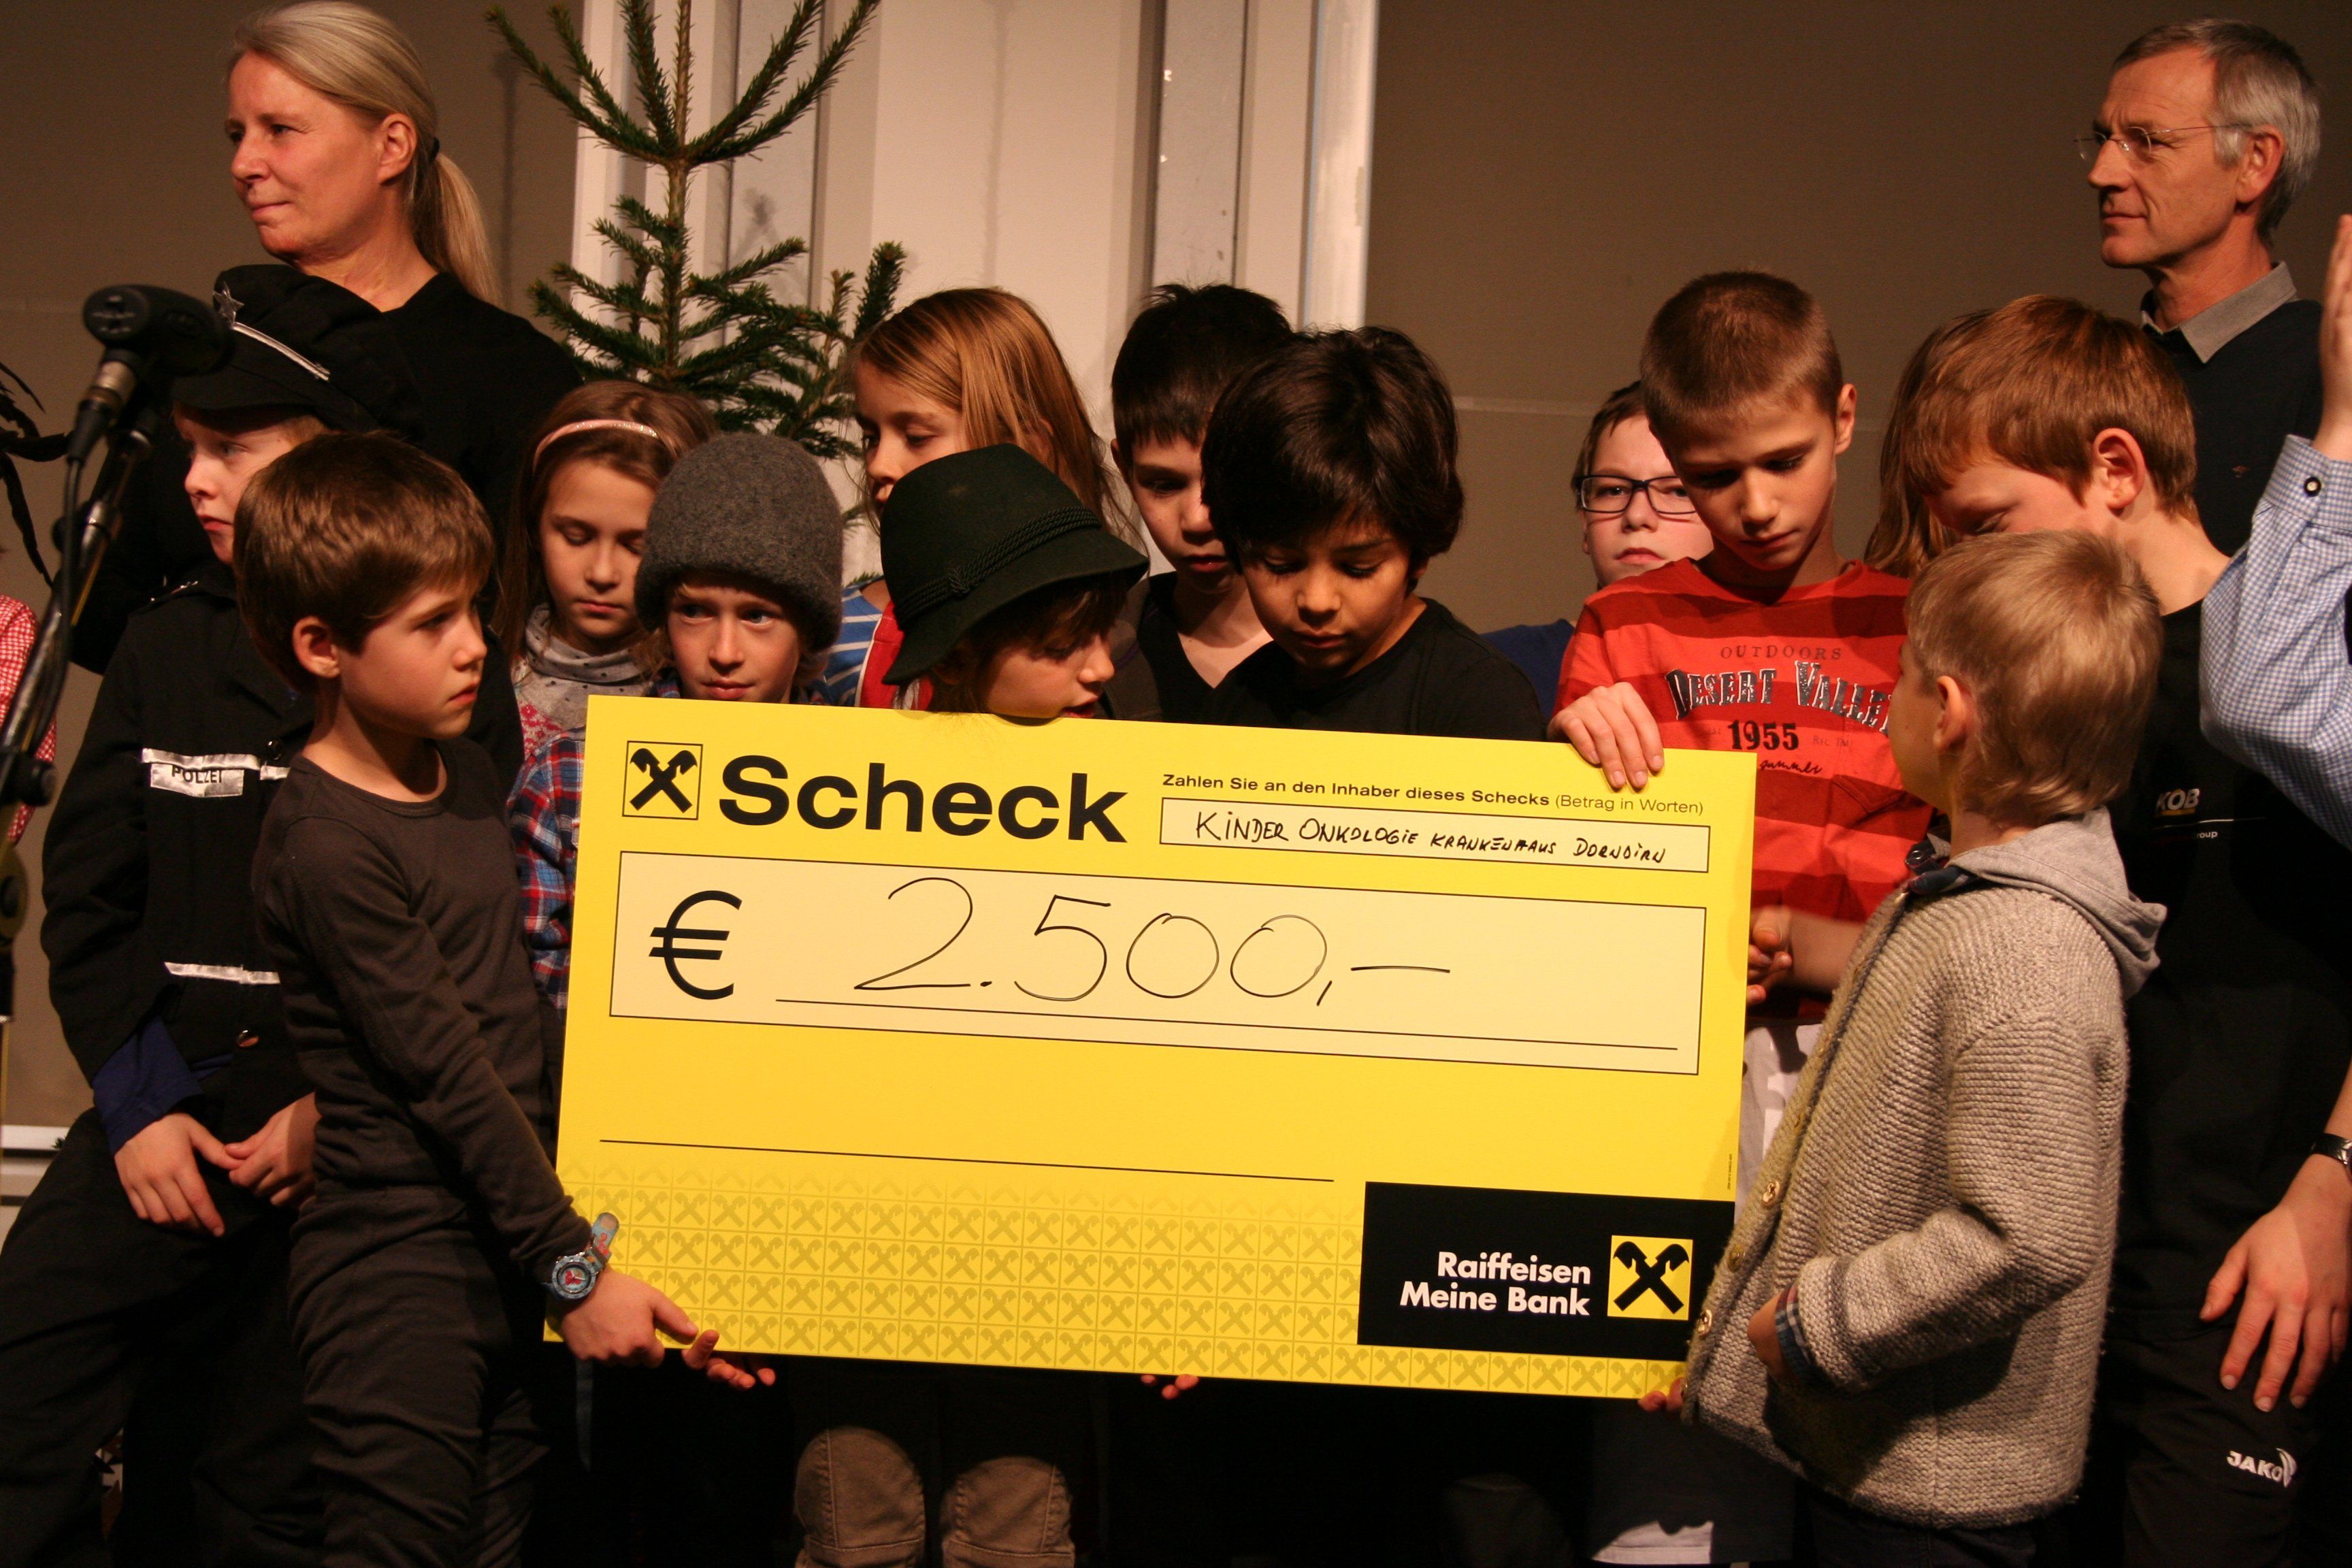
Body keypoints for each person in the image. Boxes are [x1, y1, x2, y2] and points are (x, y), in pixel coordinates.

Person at [1877, 291, 2352, 1567]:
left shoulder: (2297, 677)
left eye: (1989, 525)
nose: (1968, 568)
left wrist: (2334, 1184)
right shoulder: (2038, 712)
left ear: (2115, 470)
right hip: (2062, 1303)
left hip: (2250, 1288)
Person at [0, 275, 452, 1568]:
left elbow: (444, 942)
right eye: (189, 448)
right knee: (23, 1390)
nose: (198, 481)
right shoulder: (163, 648)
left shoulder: (422, 665)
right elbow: (91, 900)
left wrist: (335, 1110)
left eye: (236, 449)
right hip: (167, 1103)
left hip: (329, 1139)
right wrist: (141, 1105)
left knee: (251, 1483)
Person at [237, 433, 745, 1567]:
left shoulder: (464, 775)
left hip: (502, 1257)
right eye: (432, 623)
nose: (475, 644)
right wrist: (575, 1271)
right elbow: (450, 1073)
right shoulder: (326, 843)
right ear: (322, 646)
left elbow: (527, 1023)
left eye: (473, 608)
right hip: (395, 1273)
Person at [1673, 529, 2163, 1565]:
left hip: (1932, 1497)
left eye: (1897, 677)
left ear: (1948, 712)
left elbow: (2029, 1234)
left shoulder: (2024, 947)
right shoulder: (1969, 902)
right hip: (1880, 1458)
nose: (1886, 699)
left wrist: (1820, 1326)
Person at [1555, 272, 1931, 1567]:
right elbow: (1589, 881)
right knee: (1671, 1484)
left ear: (1843, 419)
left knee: (1868, 1462)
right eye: (1715, 476)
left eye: (1784, 461)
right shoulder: (1625, 628)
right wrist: (1574, 751)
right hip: (1689, 1082)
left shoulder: (1920, 620)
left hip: (1870, 1069)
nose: (1758, 504)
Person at [785, 441, 1147, 1568]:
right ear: (966, 654)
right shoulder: (835, 798)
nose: (1100, 668)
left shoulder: (1143, 797)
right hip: (855, 1249)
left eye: (1101, 636)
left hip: (1044, 1257)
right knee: (859, 1525)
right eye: (1061, 645)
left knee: (1016, 1532)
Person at [77, 0, 578, 675]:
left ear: (391, 146)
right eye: (237, 134)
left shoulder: (513, 373)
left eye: (280, 130)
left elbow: (519, 631)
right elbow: (104, 618)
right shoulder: (208, 357)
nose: (244, 163)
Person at [511, 431, 844, 1012]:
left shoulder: (869, 781)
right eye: (694, 611)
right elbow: (537, 977)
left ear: (807, 627)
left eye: (758, 616)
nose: (724, 652)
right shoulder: (572, 775)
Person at [1201, 327, 1544, 741]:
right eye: (1282, 564)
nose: (1317, 602)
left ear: (1417, 553)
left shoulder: (1476, 699)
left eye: (1358, 568)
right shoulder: (1239, 701)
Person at [826, 287, 1137, 712]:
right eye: (870, 436)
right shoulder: (837, 643)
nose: (880, 464)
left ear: (1028, 446)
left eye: (917, 436)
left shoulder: (1118, 638)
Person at [2087, 19, 2323, 555]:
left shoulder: (2330, 378)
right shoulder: (2092, 377)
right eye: (2105, 140)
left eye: (2146, 141)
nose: (2102, 173)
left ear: (2254, 163)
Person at [493, 381, 718, 758]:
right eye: (576, 538)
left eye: (636, 547)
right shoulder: (479, 682)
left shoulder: (711, 697)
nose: (601, 574)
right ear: (534, 527)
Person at [1109, 282, 1292, 721]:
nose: (1198, 520)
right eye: (1163, 485)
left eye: (1228, 480)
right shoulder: (1094, 657)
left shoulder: (1365, 656)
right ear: (1125, 469)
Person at [1483, 380, 1714, 710]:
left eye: (1678, 491)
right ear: (1584, 519)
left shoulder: (1772, 668)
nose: (1636, 516)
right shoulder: (1496, 668)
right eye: (1613, 490)